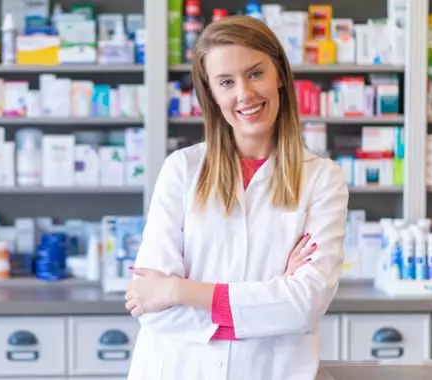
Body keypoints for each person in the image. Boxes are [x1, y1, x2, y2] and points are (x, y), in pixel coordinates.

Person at [124, 16, 349, 380]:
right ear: (211, 94)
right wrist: (268, 302)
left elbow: (304, 305)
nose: (244, 93)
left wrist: (178, 289)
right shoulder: (182, 169)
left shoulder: (322, 179)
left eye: (255, 73)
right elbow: (153, 307)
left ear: (279, 75)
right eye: (226, 82)